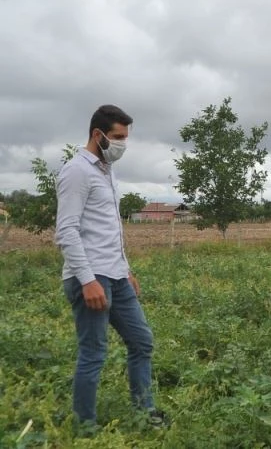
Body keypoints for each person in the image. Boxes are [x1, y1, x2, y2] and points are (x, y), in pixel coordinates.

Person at [55, 105, 165, 428]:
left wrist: (126, 269)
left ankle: (144, 413)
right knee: (94, 352)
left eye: (125, 138)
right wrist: (87, 280)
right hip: (90, 276)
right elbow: (67, 230)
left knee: (142, 341)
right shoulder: (77, 171)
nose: (122, 145)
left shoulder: (107, 171)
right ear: (97, 135)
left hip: (116, 275)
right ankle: (85, 426)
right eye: (117, 137)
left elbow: (110, 228)